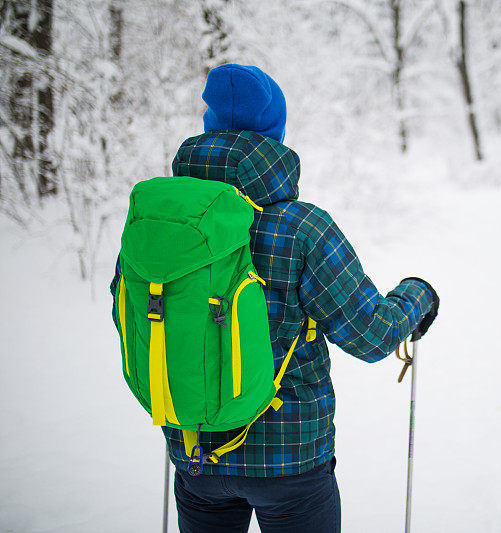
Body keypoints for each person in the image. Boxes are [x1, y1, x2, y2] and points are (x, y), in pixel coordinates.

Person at [110, 63, 439, 533]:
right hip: (291, 461)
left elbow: (130, 320)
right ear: (275, 136)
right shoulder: (301, 227)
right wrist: (417, 296)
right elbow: (371, 336)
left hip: (193, 452)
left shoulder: (155, 225)